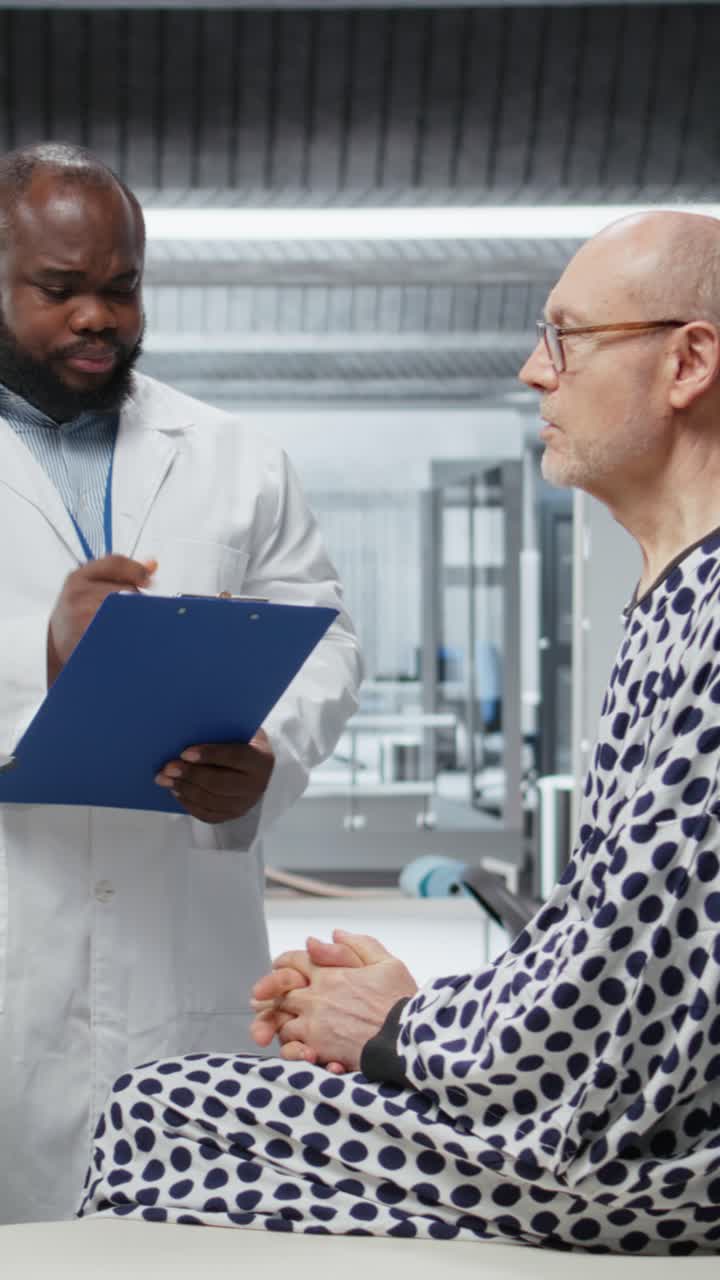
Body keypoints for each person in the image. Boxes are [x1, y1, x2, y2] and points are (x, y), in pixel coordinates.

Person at [81, 209, 720, 1254]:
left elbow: (625, 986)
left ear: (689, 361)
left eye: (567, 336)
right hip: (611, 1115)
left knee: (157, 1116)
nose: (532, 370)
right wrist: (415, 1008)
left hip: (647, 1163)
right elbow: (619, 938)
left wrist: (398, 1031)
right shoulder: (672, 601)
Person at [0, 142, 361, 1225]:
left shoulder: (233, 456)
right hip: (19, 946)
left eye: (121, 287)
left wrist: (267, 761)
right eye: (60, 290)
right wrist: (40, 652)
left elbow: (328, 638)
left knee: (185, 1240)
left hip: (183, 956)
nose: (97, 316)